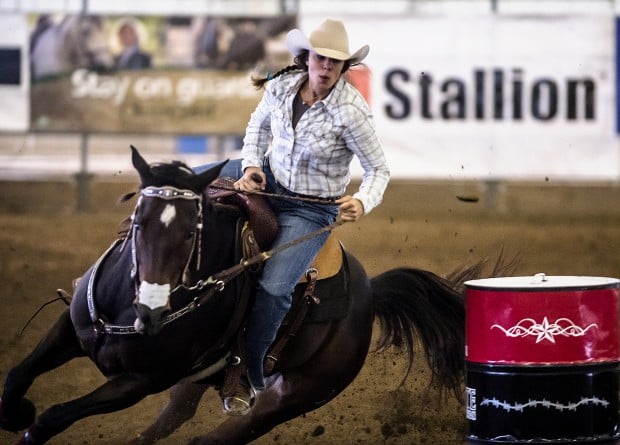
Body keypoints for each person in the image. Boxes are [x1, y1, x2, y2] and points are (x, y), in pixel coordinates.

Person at [209, 18, 390, 415]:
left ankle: (250, 373)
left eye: (336, 63)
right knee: (191, 185)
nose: (327, 68)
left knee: (275, 288)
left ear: (344, 68)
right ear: (308, 59)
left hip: (311, 208)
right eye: (321, 59)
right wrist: (250, 166)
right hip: (269, 177)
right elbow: (257, 127)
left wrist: (362, 201)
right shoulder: (281, 85)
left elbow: (379, 170)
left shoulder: (351, 111)